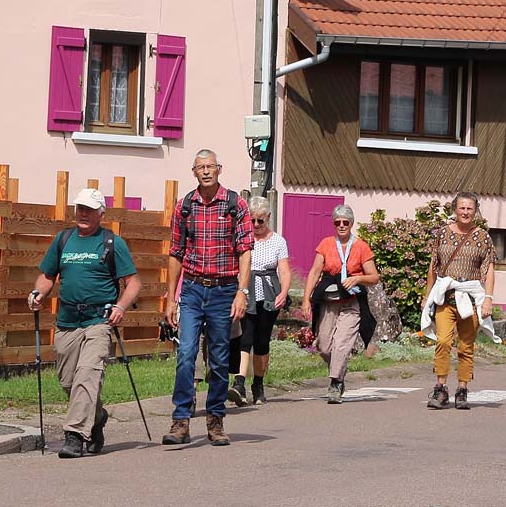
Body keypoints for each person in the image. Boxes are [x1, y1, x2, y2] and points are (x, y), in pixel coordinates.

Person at [28, 188, 141, 458]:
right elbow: (47, 276)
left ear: (101, 213)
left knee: (88, 375)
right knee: (68, 381)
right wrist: (38, 293)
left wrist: (120, 307)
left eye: (89, 209)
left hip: (98, 321)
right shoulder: (63, 239)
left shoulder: (112, 242)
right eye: (80, 208)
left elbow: (134, 283)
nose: (83, 213)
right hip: (67, 321)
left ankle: (75, 435)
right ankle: (98, 417)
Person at [162, 149, 253, 446]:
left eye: (210, 166)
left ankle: (215, 419)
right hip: (192, 289)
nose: (205, 171)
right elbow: (175, 252)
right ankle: (181, 420)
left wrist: (241, 292)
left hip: (224, 290)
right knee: (186, 354)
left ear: (219, 169)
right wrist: (171, 298)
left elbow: (245, 251)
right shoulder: (184, 206)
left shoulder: (235, 204)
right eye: (200, 167)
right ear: (194, 172)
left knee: (219, 359)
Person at [422, 192, 498, 411]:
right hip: (445, 298)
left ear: (475, 211)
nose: (465, 212)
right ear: (455, 209)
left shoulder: (482, 237)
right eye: (462, 208)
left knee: (466, 346)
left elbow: (489, 269)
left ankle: (462, 389)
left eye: (469, 208)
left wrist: (488, 299)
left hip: (471, 299)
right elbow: (433, 266)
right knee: (443, 341)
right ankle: (440, 388)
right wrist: (427, 296)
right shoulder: (442, 233)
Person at [302, 204, 379, 404]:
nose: (342, 225)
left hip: (351, 302)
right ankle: (339, 370)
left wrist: (357, 279)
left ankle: (335, 383)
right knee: (324, 346)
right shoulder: (326, 244)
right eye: (338, 222)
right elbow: (315, 272)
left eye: (346, 222)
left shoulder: (361, 246)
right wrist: (306, 299)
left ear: (351, 223)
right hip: (328, 301)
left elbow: (374, 277)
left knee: (341, 344)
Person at [228, 196, 291, 406]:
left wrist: (283, 292)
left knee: (262, 341)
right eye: (252, 220)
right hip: (246, 290)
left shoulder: (278, 241)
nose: (255, 225)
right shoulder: (243, 238)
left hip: (268, 292)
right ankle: (239, 383)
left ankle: (258, 383)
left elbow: (284, 270)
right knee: (245, 336)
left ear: (268, 218)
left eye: (260, 221)